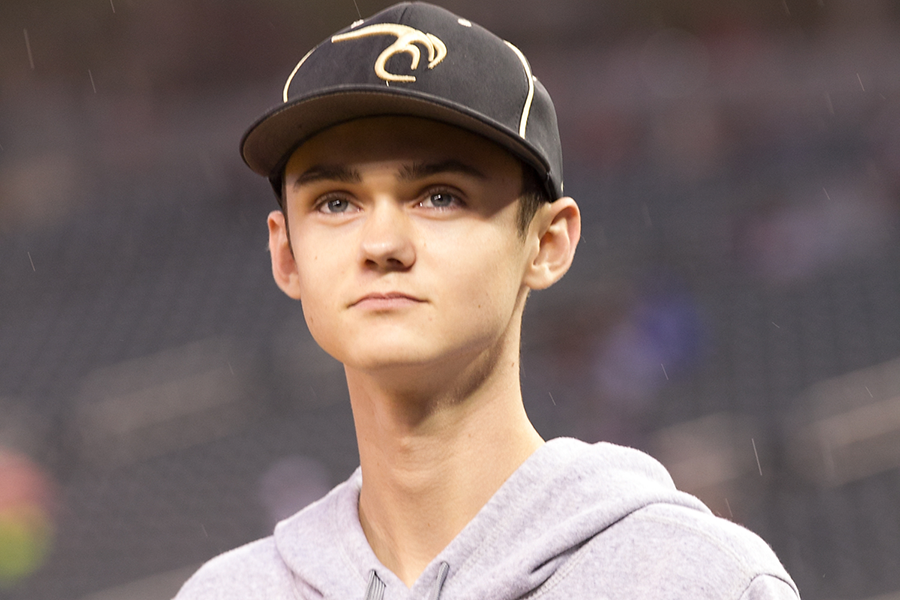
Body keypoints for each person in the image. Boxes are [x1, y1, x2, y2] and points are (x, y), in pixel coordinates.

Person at [175, 3, 800, 598]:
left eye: (439, 195)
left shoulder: (694, 581)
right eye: (336, 202)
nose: (382, 242)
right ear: (286, 255)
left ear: (547, 244)